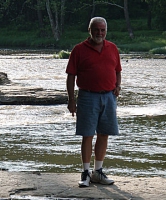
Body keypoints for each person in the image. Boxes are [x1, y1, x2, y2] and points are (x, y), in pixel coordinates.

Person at [66, 17, 122, 187]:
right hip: (87, 96)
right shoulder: (79, 50)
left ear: (106, 31)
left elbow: (118, 70)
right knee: (87, 134)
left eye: (103, 30)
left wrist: (118, 86)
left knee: (104, 134)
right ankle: (85, 172)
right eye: (96, 29)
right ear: (89, 30)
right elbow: (70, 76)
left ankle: (98, 172)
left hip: (109, 97)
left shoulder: (112, 48)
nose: (100, 33)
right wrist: (71, 100)